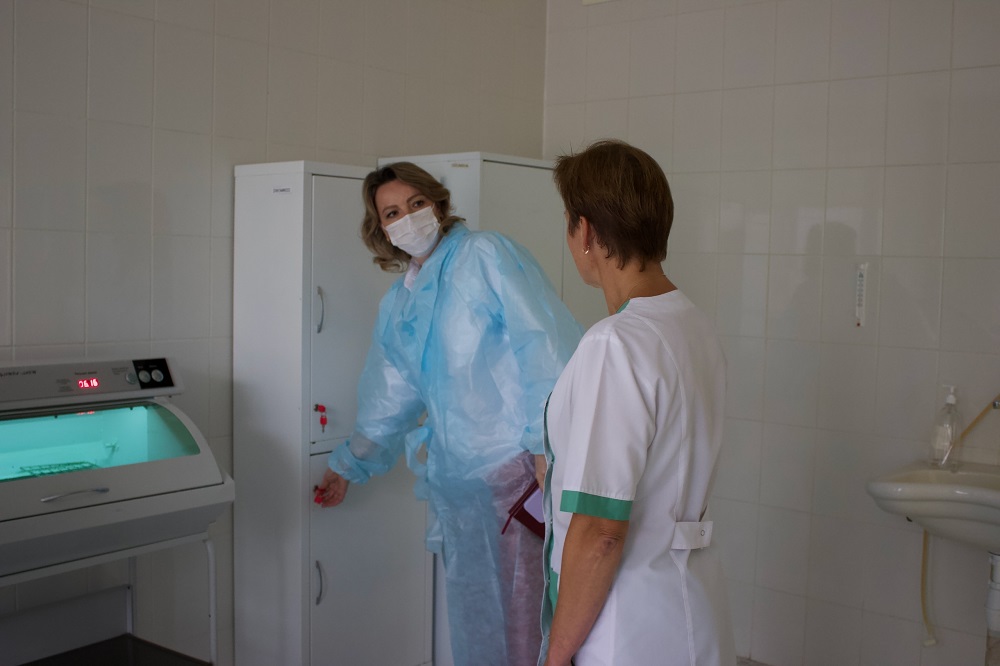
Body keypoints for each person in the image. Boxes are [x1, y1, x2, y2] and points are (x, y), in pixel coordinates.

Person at [314, 161, 583, 666]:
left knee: (528, 620)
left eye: (416, 203)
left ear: (438, 204)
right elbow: (388, 399)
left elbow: (543, 346)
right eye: (393, 212)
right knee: (476, 622)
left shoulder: (485, 255)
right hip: (458, 487)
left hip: (516, 476)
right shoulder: (401, 305)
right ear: (382, 230)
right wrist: (349, 464)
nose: (408, 217)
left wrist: (543, 447)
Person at [539, 140, 736, 666]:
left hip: (625, 628)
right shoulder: (694, 326)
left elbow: (602, 531)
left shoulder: (615, 343)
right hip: (692, 608)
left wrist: (556, 657)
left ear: (585, 232)